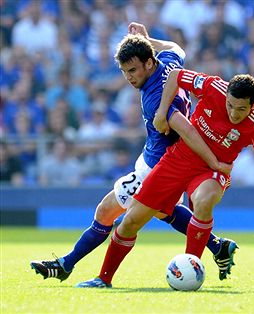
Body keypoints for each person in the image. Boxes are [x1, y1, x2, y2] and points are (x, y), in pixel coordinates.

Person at [30, 23, 237, 287]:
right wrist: (150, 40)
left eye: (133, 70)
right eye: (124, 71)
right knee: (166, 212)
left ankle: (70, 266)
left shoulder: (154, 98)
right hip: (155, 159)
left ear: (149, 64)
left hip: (157, 167)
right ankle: (218, 246)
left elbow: (184, 127)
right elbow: (176, 47)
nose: (129, 77)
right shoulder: (167, 62)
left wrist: (212, 162)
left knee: (109, 212)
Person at [76, 69, 254, 288]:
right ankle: (103, 279)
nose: (233, 113)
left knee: (205, 200)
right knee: (129, 223)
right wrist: (162, 112)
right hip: (177, 159)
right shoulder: (213, 87)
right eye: (230, 105)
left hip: (212, 171)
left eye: (241, 109)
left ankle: (190, 270)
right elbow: (175, 76)